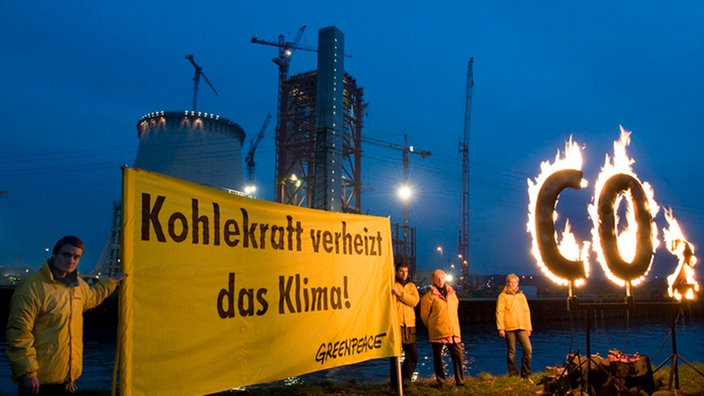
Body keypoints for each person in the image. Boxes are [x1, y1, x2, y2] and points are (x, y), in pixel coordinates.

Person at [6, 236, 127, 395]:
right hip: (38, 383)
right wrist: (28, 373)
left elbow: (92, 296)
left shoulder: (77, 285)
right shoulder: (32, 286)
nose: (71, 260)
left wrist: (112, 282)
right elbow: (18, 333)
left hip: (67, 380)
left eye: (76, 257)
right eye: (66, 254)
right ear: (55, 254)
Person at [420, 269, 464, 386]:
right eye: (437, 278)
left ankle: (460, 380)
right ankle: (441, 381)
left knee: (458, 355)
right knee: (438, 358)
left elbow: (455, 309)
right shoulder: (429, 297)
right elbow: (424, 315)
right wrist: (432, 326)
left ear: (445, 279)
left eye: (442, 278)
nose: (440, 280)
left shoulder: (452, 294)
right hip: (437, 331)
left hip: (453, 330)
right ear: (433, 280)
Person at [495, 273, 533, 378]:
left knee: (528, 349)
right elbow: (499, 312)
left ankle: (526, 373)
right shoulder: (502, 296)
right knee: (512, 351)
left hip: (522, 326)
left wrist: (528, 327)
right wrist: (501, 328)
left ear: (517, 283)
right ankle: (514, 374)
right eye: (510, 282)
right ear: (507, 283)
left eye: (514, 282)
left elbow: (526, 312)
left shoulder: (521, 296)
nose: (512, 284)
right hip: (509, 327)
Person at [390, 262, 419, 388]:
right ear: (396, 271)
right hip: (396, 323)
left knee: (413, 354)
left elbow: (415, 301)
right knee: (395, 356)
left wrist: (401, 295)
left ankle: (405, 379)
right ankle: (395, 383)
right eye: (401, 271)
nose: (404, 274)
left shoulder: (411, 286)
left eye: (406, 271)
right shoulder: (392, 284)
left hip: (409, 324)